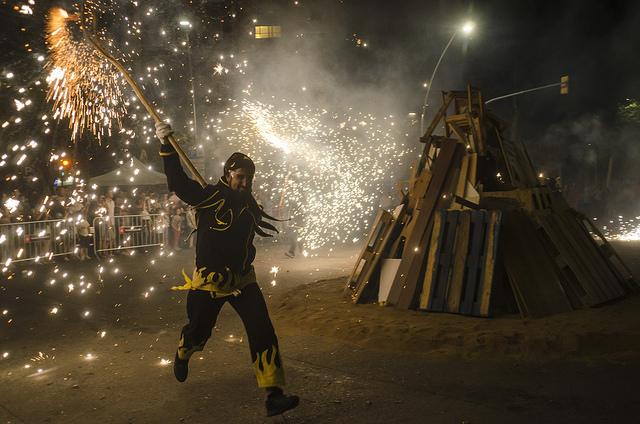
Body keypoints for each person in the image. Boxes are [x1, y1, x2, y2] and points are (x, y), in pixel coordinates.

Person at [156, 122, 299, 417]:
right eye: (239, 177)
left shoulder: (249, 205)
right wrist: (167, 147)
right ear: (228, 175)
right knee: (199, 331)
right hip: (210, 281)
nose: (245, 183)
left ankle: (274, 394)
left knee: (262, 330)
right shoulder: (210, 197)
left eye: (249, 178)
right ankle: (184, 350)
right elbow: (178, 183)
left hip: (244, 280)